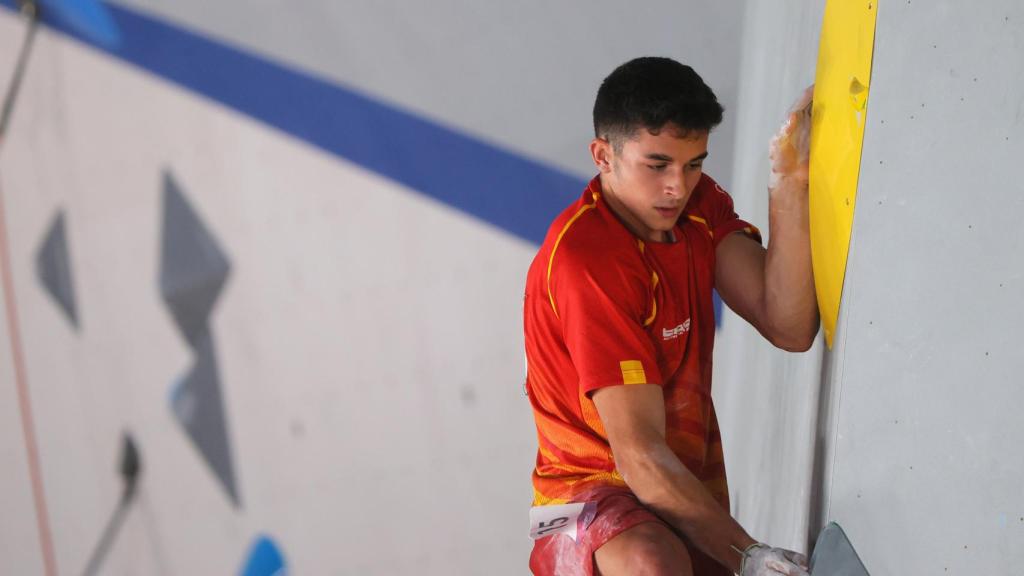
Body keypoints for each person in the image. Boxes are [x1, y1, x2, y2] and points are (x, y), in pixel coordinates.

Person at [523, 57, 818, 576]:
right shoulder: (587, 261)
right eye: (657, 165)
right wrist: (748, 553)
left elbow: (789, 325)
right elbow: (637, 453)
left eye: (694, 164)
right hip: (582, 503)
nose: (677, 187)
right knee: (651, 562)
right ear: (603, 156)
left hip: (673, 489)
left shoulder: (698, 205)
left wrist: (790, 182)